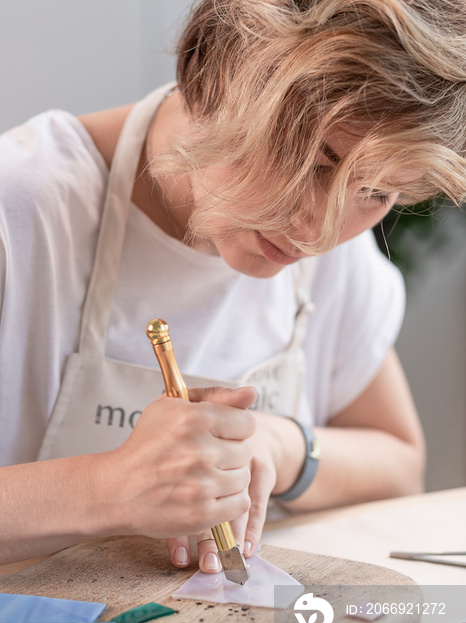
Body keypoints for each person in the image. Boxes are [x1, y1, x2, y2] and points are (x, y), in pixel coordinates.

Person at [0, 0, 464, 576]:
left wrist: (278, 447)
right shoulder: (18, 213)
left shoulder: (336, 257)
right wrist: (106, 488)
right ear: (217, 70)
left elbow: (399, 465)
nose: (320, 231)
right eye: (315, 161)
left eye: (376, 191)